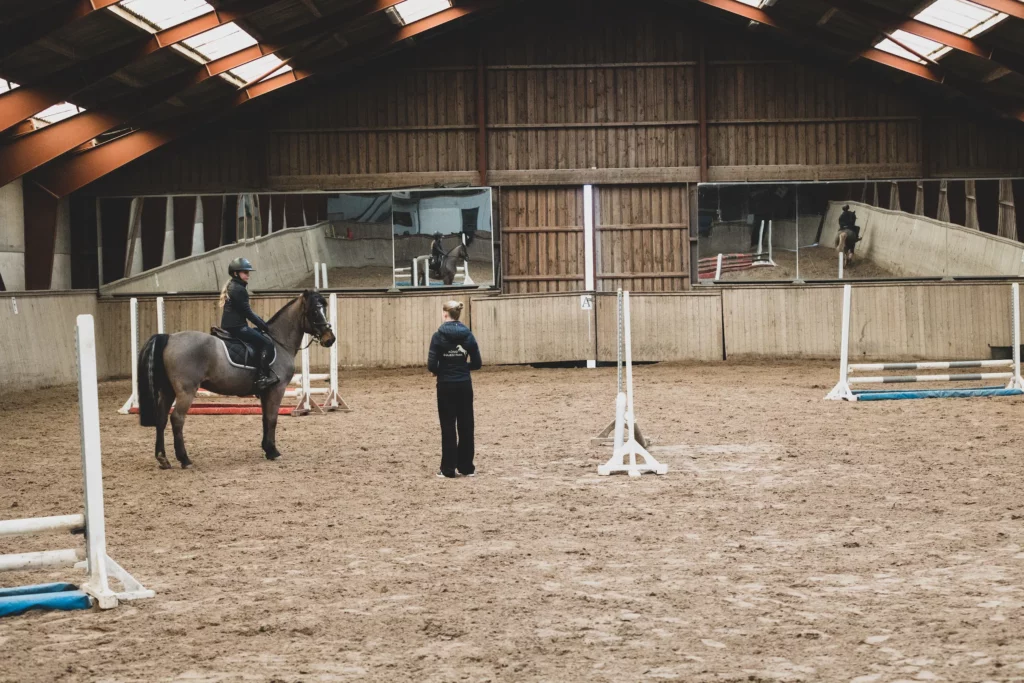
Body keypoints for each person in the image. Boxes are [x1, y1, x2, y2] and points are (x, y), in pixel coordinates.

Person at [427, 300, 482, 478]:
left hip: (446, 385)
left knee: (448, 426)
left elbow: (431, 365)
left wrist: (441, 371)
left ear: (445, 314)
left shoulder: (438, 336)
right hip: (464, 383)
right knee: (466, 425)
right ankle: (466, 467)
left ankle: (448, 468)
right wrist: (463, 368)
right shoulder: (468, 336)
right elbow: (477, 363)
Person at [219, 257, 279, 392]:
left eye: (248, 272)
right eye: (245, 272)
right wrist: (264, 326)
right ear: (236, 273)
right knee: (266, 343)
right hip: (238, 327)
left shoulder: (234, 286)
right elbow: (248, 313)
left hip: (232, 325)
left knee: (258, 333)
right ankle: (262, 378)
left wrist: (261, 324)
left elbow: (246, 312)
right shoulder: (239, 289)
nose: (248, 275)